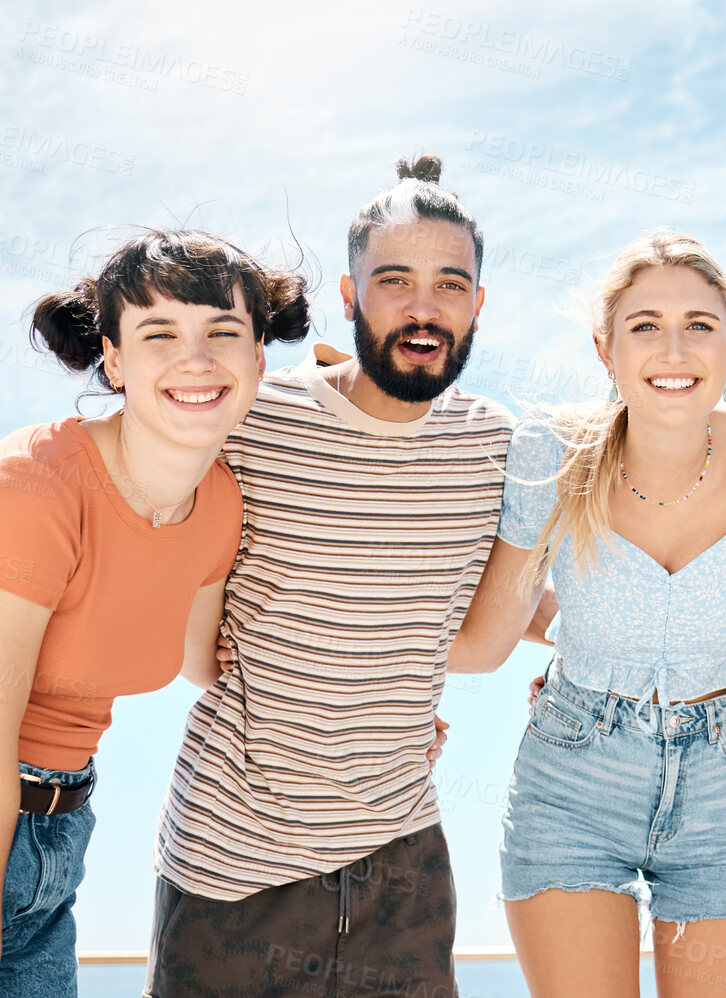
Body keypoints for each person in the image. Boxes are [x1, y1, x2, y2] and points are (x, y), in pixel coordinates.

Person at [146, 157, 513, 997]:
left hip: (405, 871)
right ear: (350, 298)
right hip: (231, 871)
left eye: (450, 285)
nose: (424, 309)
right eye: (394, 281)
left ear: (478, 306)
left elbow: (503, 607)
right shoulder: (253, 420)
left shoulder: (493, 446)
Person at [447, 229, 726, 998]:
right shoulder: (551, 453)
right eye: (645, 326)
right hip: (571, 781)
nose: (674, 349)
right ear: (605, 349)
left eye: (699, 325)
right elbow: (485, 639)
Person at [1, 229, 307, 996]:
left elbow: (209, 664)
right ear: (114, 359)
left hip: (58, 832)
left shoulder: (219, 504)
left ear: (260, 358)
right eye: (159, 333)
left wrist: (377, 706)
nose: (195, 359)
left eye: (223, 333)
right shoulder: (38, 485)